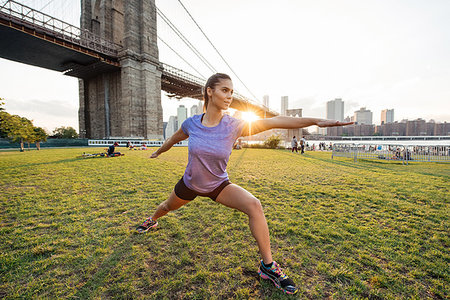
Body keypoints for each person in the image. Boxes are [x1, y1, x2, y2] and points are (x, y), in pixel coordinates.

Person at [136, 73, 352, 294]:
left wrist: (316, 121)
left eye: (231, 91)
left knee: (254, 205)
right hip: (190, 183)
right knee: (166, 207)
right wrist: (158, 151)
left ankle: (267, 267)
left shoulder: (234, 125)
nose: (230, 96)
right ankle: (151, 221)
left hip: (218, 185)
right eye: (225, 90)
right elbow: (173, 139)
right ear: (210, 92)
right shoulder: (191, 123)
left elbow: (275, 121)